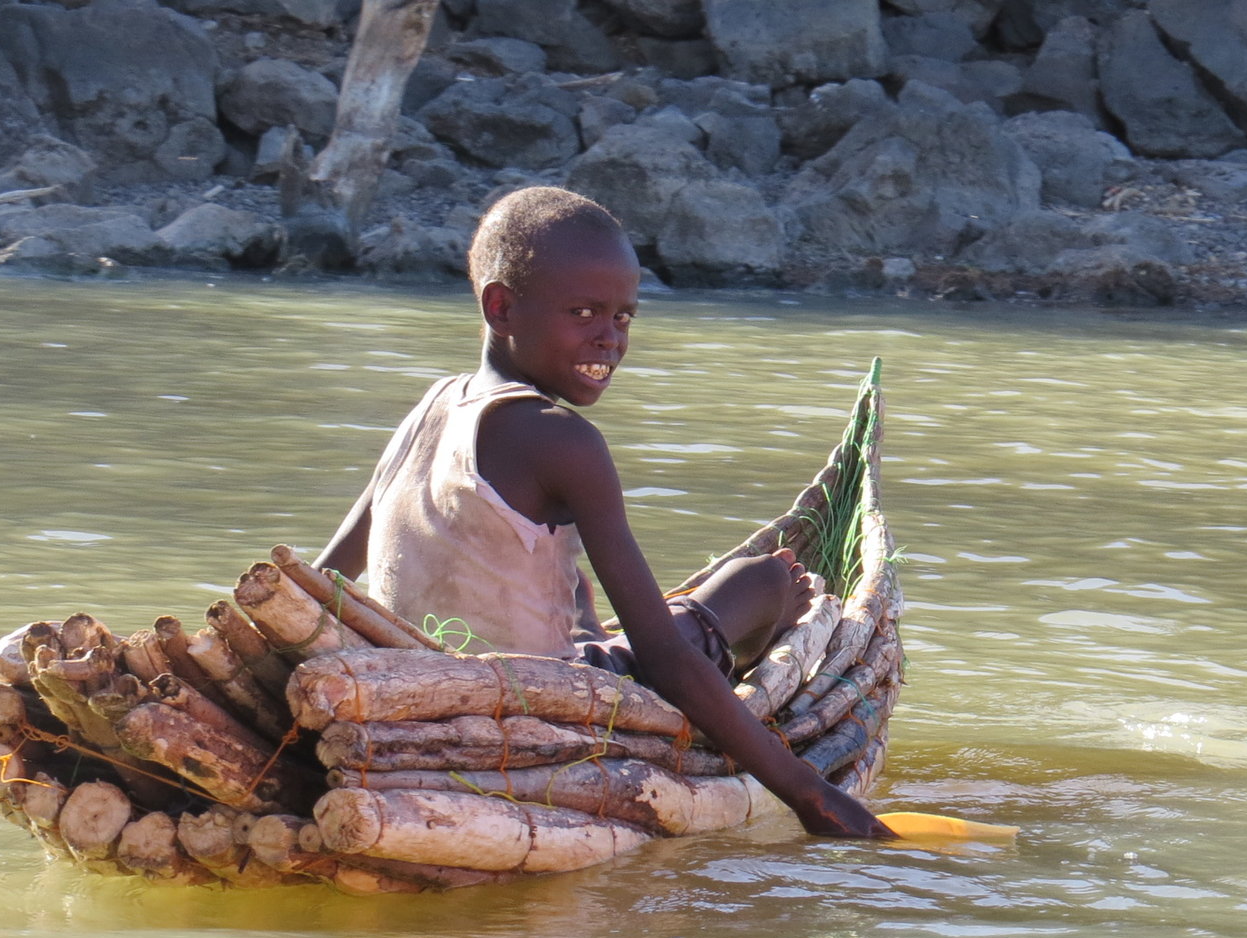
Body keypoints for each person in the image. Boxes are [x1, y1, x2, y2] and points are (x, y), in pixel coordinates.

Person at [317, 186, 892, 840]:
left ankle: (615, 626)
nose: (609, 338)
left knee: (581, 585)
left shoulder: (432, 405)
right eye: (584, 311)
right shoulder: (561, 437)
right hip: (536, 706)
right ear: (501, 307)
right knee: (763, 582)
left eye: (624, 317)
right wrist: (807, 791)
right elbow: (666, 661)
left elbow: (328, 574)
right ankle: (744, 650)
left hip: (420, 686)